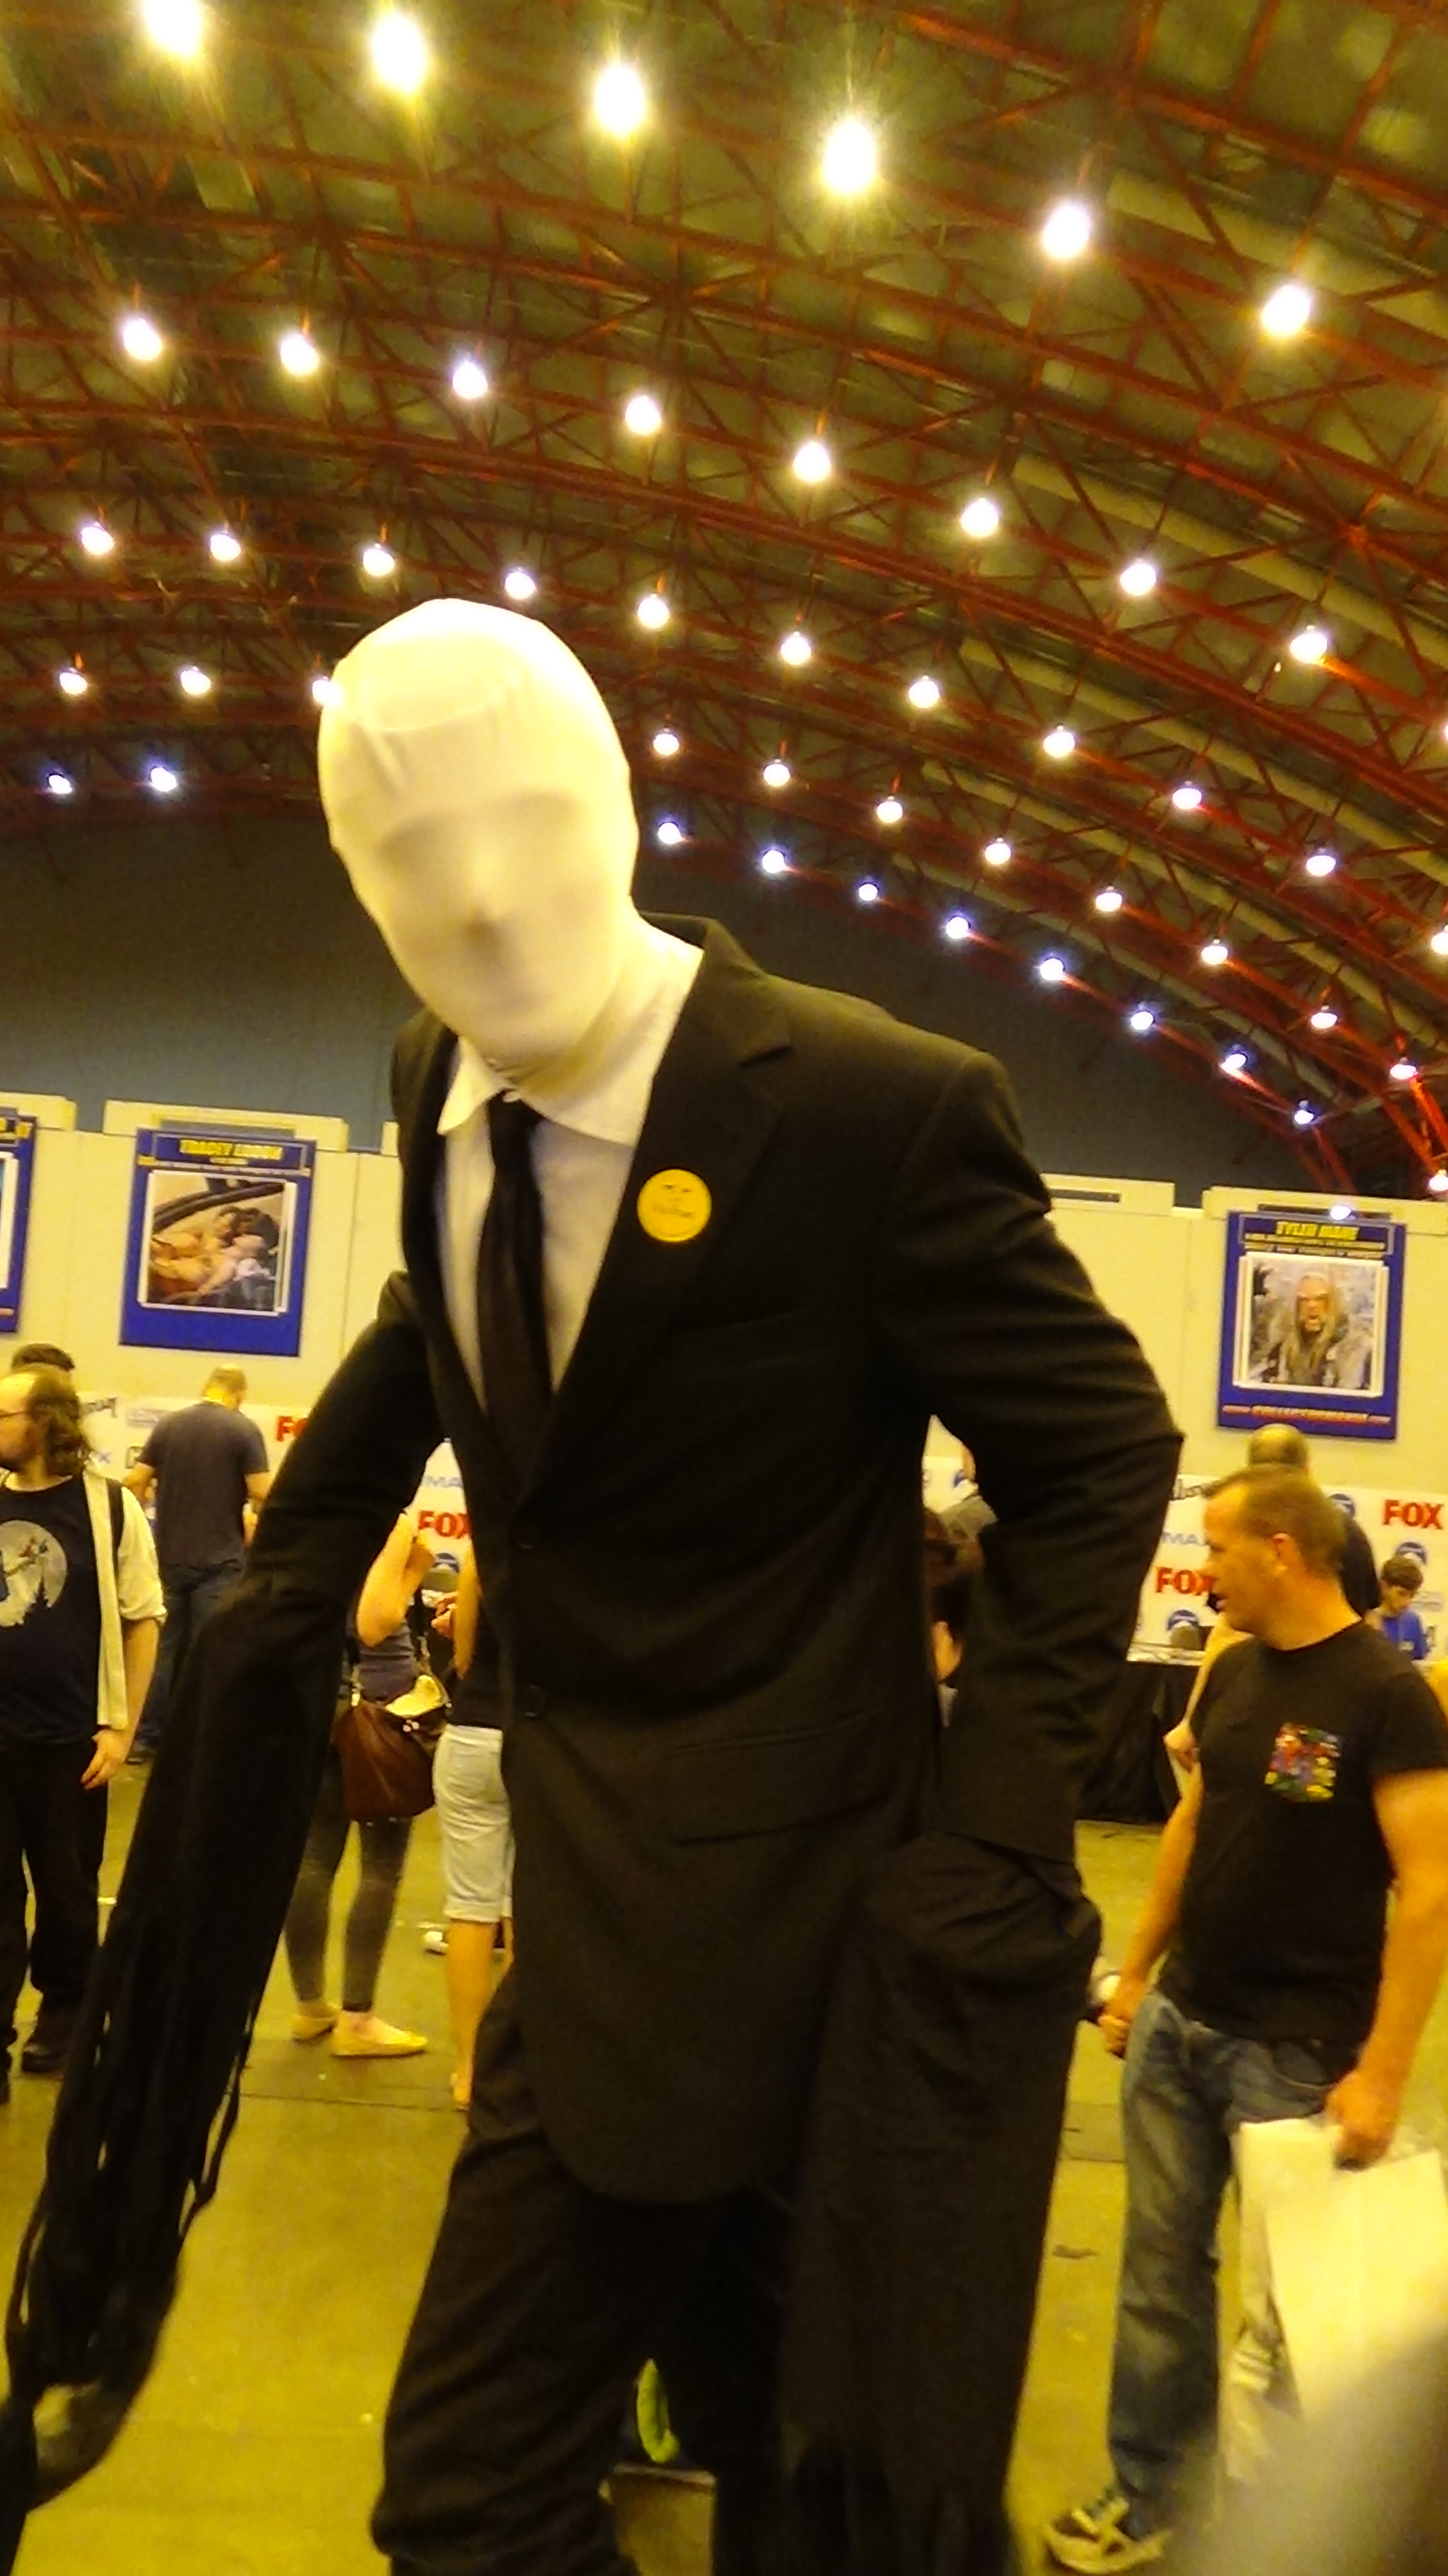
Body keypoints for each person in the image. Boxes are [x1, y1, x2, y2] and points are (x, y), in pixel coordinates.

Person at [0, 601, 1179, 2576]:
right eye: (406, 853)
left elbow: (1100, 1448)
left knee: (508, 2489)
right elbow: (459, 1310)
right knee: (749, 2451)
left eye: (518, 818)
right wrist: (292, 1577)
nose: (473, 896)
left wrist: (992, 1829)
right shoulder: (429, 1083)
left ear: (620, 806)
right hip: (587, 1892)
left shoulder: (872, 1109)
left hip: (825, 1932)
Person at [1047, 1467, 1448, 2575]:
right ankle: (1152, 2493)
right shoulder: (1228, 1670)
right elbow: (1191, 1829)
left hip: (1298, 2052)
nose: (1204, 1569)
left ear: (1280, 1549)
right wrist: (1138, 1977)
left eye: (1219, 1548)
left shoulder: (1388, 1695)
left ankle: (1294, 2536)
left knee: (1294, 2320)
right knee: (1158, 2282)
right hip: (1183, 2024)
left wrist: (1382, 2069)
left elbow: (1430, 1889)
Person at [0, 1366, 162, 2096]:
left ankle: (65, 2013)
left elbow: (143, 1619)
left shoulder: (110, 1509)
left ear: (45, 1423)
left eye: (3, 1415)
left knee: (67, 1894)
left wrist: (120, 1729)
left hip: (71, 1741)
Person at [284, 1512, 436, 2059]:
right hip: (378, 1708)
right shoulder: (387, 1523)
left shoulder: (319, 1521)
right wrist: (415, 1567)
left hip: (322, 1698)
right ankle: (358, 2018)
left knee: (314, 1856)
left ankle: (310, 2005)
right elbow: (377, 1621)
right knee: (380, 1866)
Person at [123, 1364, 271, 1755]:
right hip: (220, 1561)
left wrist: (138, 1525)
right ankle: (197, 1741)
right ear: (239, 1395)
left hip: (167, 1557)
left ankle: (145, 1737)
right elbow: (262, 1493)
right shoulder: (243, 1430)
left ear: (207, 1387)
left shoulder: (169, 1425)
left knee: (159, 1650)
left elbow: (135, 1481)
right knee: (210, 1651)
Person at [432, 1544, 513, 2109]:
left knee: (470, 1907)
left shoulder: (480, 1555)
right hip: (538, 1739)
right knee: (528, 1904)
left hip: (472, 1735)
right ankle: (521, 2061)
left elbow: (462, 1660)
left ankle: (468, 2068)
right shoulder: (565, 1555)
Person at [1248, 1271, 1369, 1393]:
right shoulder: (1285, 1346)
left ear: (1333, 1303)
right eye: (1304, 1300)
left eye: (1320, 1299)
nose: (1311, 1305)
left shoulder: (1355, 1345)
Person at [1372, 1554, 1430, 1662]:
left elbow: (1419, 1663)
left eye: (1412, 1595)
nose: (1407, 1602)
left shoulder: (1413, 1620)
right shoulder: (1366, 1622)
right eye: (1401, 1594)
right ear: (1384, 1587)